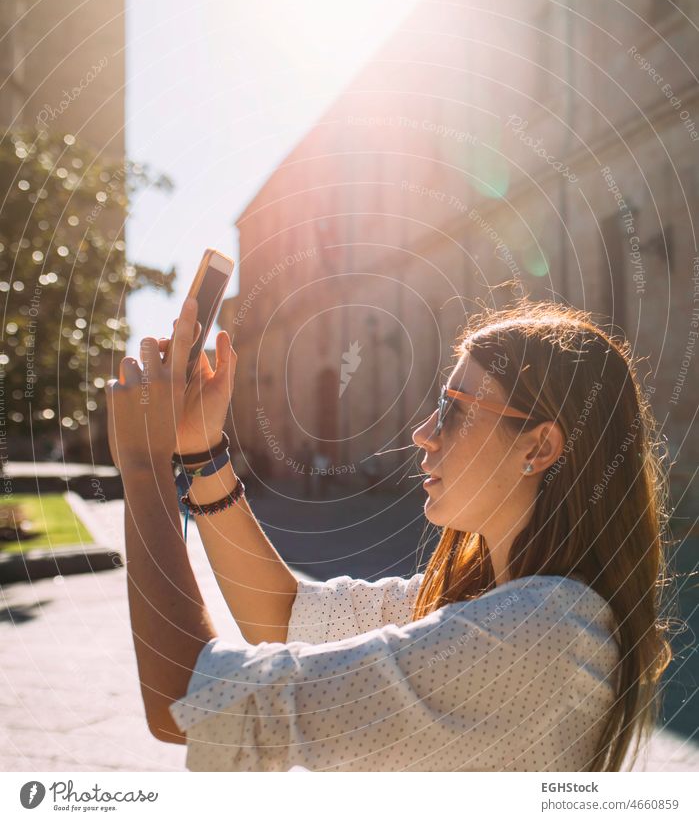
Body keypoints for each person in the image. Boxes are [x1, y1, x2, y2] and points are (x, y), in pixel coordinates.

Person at [105, 295, 673, 772]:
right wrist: (201, 451)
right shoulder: (496, 602)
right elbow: (285, 616)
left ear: (539, 446)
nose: (424, 433)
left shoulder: (541, 628)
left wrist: (142, 466)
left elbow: (192, 700)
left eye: (454, 409)